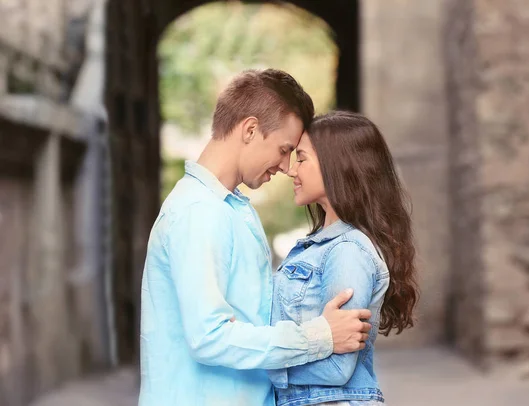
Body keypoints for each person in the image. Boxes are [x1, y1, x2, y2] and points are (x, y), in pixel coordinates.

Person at [138, 70, 372, 406]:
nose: (285, 166)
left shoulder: (229, 209)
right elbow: (209, 337)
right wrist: (319, 336)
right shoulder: (199, 212)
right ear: (250, 130)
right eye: (283, 149)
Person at [268, 111, 419, 406]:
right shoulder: (319, 247)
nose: (291, 170)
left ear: (334, 165)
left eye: (302, 158)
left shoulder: (348, 250)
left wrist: (259, 361)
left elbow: (339, 367)